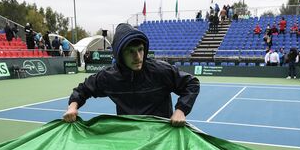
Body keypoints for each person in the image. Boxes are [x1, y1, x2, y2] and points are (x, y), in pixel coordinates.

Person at [62, 23, 200, 127]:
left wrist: (181, 110)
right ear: (120, 54)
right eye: (130, 51)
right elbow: (83, 89)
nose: (138, 56)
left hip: (160, 137)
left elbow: (191, 83)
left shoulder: (160, 71)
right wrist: (73, 107)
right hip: (129, 137)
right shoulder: (109, 77)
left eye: (140, 50)